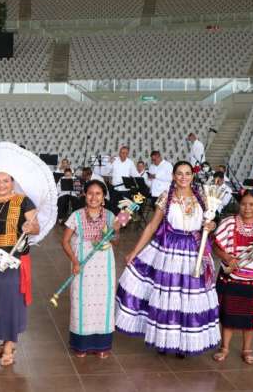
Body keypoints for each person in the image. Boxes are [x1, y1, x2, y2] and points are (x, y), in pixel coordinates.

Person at [116, 161, 220, 357]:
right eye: (179, 173)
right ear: (173, 176)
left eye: (187, 173)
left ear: (192, 176)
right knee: (169, 296)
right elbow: (152, 227)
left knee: (188, 297)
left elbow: (209, 222)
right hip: (169, 252)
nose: (183, 177)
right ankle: (164, 340)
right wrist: (134, 252)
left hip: (193, 252)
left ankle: (184, 343)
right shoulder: (166, 197)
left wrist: (210, 226)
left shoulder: (203, 199)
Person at [212, 190, 253, 365]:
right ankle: (224, 347)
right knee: (228, 314)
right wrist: (227, 258)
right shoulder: (228, 223)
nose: (247, 208)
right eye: (243, 204)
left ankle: (247, 349)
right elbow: (217, 246)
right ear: (238, 205)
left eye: (252, 204)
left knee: (251, 316)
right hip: (232, 276)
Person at [0, 172, 39, 366]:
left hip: (13, 258)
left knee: (11, 299)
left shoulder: (24, 202)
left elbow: (35, 226)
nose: (1, 184)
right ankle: (3, 341)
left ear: (12, 183)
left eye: (5, 181)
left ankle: (9, 344)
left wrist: (30, 228)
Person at [60, 180, 122, 358]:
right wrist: (74, 261)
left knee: (104, 302)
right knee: (82, 301)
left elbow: (116, 241)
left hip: (104, 266)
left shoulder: (111, 216)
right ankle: (81, 345)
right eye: (90, 193)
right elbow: (64, 241)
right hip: (82, 265)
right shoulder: (76, 216)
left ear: (104, 197)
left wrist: (115, 231)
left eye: (98, 194)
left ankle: (102, 345)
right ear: (84, 195)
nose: (94, 197)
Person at [107, 146, 138, 213]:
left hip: (125, 190)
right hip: (114, 189)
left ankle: (122, 223)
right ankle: (113, 222)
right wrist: (109, 163)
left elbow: (136, 175)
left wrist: (139, 181)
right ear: (119, 153)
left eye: (125, 153)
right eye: (122, 152)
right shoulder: (114, 160)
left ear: (127, 154)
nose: (123, 154)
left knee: (125, 209)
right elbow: (107, 172)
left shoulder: (130, 162)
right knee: (113, 208)